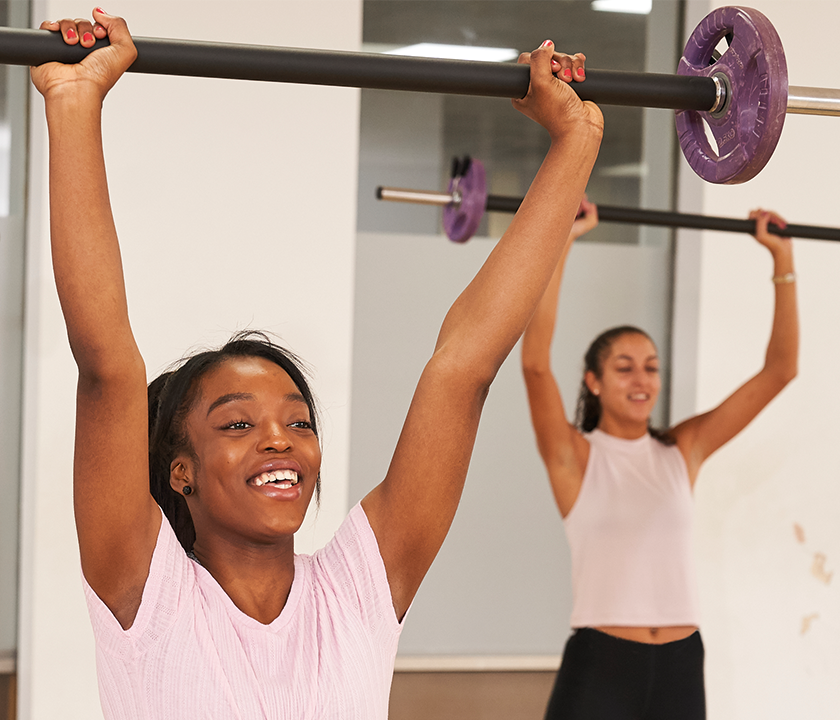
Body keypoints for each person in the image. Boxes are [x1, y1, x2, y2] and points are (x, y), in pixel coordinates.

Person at [32, 10, 603, 716]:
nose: (280, 439)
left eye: (298, 423)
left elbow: (464, 367)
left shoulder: (357, 593)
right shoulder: (146, 598)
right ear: (179, 471)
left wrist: (577, 139)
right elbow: (107, 362)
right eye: (237, 425)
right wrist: (73, 102)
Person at [519, 205, 799, 720]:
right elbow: (535, 363)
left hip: (680, 663)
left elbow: (780, 371)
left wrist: (783, 260)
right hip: (603, 661)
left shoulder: (681, 449)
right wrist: (563, 241)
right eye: (624, 368)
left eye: (650, 367)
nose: (641, 380)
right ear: (593, 381)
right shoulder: (574, 456)